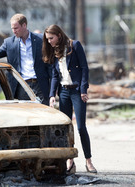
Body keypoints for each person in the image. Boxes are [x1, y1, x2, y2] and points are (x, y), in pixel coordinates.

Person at [42, 24, 97, 174]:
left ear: (59, 35)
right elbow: (55, 75)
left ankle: (88, 161)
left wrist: (84, 89)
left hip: (77, 91)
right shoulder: (53, 51)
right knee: (66, 129)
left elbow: (85, 68)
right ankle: (70, 161)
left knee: (80, 127)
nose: (49, 41)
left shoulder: (75, 45)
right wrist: (52, 95)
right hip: (64, 92)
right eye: (47, 39)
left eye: (51, 38)